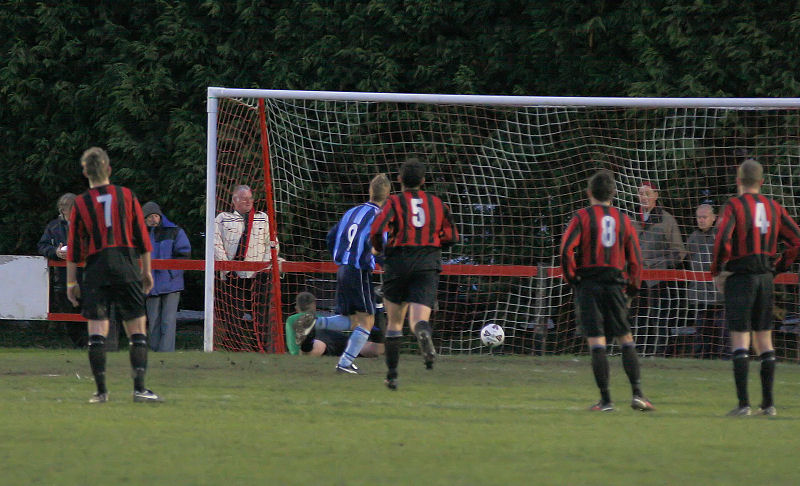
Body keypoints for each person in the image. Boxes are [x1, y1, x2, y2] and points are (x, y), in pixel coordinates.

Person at [65, 147, 161, 403]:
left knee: (96, 331)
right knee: (137, 329)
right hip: (125, 264)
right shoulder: (126, 195)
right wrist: (147, 271)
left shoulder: (81, 203)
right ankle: (140, 389)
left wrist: (71, 282)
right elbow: (142, 238)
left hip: (96, 268)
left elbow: (74, 247)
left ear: (85, 171)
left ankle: (101, 392)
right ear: (108, 169)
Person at [560, 169, 655, 412]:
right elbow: (635, 258)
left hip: (589, 283)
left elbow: (566, 250)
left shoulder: (582, 217)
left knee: (597, 342)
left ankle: (606, 401)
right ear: (613, 194)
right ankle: (638, 394)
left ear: (589, 193)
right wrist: (632, 289)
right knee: (625, 338)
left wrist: (573, 279)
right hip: (615, 283)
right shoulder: (623, 219)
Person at [711, 159, 800, 417]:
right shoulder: (774, 207)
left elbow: (723, 238)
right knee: (764, 339)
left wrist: (718, 268)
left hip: (741, 276)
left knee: (740, 337)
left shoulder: (734, 205)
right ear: (761, 183)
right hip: (765, 277)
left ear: (738, 181)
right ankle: (768, 405)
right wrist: (779, 267)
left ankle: (743, 405)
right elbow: (796, 240)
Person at [369, 157, 459, 390]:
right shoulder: (438, 204)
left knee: (395, 322)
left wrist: (380, 248)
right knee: (419, 319)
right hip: (427, 262)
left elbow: (378, 229)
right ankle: (422, 333)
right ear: (423, 180)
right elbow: (452, 237)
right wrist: (434, 246)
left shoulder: (394, 203)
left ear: (399, 180)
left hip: (399, 261)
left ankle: (392, 375)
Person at [297, 174, 390, 374]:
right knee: (368, 321)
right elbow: (377, 245)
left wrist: (341, 257)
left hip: (343, 269)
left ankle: (314, 321)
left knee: (354, 320)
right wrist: (386, 265)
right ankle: (345, 364)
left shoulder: (352, 212)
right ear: (387, 195)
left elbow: (331, 237)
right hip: (359, 272)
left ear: (370, 191)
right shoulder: (380, 218)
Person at [213, 184, 278, 351]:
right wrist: (227, 267)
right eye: (244, 198)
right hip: (232, 276)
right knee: (233, 316)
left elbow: (272, 244)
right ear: (234, 200)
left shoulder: (263, 218)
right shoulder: (222, 218)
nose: (248, 201)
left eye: (250, 198)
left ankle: (262, 348)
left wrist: (263, 267)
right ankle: (234, 348)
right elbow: (215, 243)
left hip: (259, 276)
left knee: (261, 316)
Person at [633, 180, 687, 355]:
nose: (644, 197)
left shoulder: (667, 219)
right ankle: (638, 353)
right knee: (637, 319)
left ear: (656, 195)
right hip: (636, 279)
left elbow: (679, 252)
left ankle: (660, 355)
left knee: (660, 320)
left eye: (647, 193)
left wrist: (660, 265)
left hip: (659, 280)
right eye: (641, 193)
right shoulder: (632, 219)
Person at [38, 192, 87, 347]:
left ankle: (90, 345)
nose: (66, 211)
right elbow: (42, 246)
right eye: (64, 207)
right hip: (63, 279)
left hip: (87, 279)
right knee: (69, 316)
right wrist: (56, 253)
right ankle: (80, 345)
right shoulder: (53, 227)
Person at [142, 201, 191, 352]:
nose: (153, 219)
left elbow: (184, 255)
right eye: (149, 217)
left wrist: (171, 273)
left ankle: (166, 352)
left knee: (168, 321)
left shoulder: (175, 231)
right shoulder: (139, 234)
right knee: (154, 320)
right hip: (151, 284)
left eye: (156, 216)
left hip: (171, 284)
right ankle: (155, 351)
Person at [287, 292, 384, 358]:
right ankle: (378, 312)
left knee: (313, 350)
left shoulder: (291, 319)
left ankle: (308, 342)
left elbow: (292, 341)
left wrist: (297, 354)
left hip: (319, 339)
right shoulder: (320, 316)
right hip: (336, 338)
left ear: (296, 307)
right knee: (375, 349)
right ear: (314, 305)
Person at [685, 204, 725, 358]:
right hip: (701, 295)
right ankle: (701, 359)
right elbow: (690, 259)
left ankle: (724, 360)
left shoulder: (720, 236)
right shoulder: (693, 237)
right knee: (702, 332)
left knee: (722, 333)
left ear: (713, 218)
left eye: (704, 217)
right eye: (698, 217)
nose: (701, 220)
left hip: (720, 295)